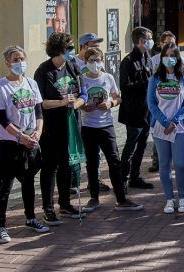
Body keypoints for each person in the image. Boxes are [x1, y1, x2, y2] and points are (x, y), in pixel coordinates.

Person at [0, 46, 47, 243]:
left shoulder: (31, 83)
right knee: (4, 186)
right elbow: (2, 119)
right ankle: (0, 226)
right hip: (9, 143)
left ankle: (31, 218)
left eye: (22, 58)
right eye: (15, 59)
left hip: (30, 141)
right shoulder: (0, 86)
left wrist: (38, 132)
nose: (19, 62)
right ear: (7, 62)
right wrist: (20, 136)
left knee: (29, 182)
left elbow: (39, 111)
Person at [79, 48, 142, 213]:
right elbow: (79, 101)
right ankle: (94, 197)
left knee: (114, 161)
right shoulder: (82, 79)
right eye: (91, 60)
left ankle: (121, 198)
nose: (95, 63)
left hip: (106, 125)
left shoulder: (108, 78)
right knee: (91, 163)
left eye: (98, 60)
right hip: (88, 126)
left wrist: (111, 104)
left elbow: (118, 97)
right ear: (86, 62)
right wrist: (84, 106)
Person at [33, 32, 85, 223]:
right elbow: (40, 103)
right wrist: (62, 102)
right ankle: (48, 208)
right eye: (69, 48)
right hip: (51, 126)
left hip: (70, 124)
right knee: (50, 167)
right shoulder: (43, 71)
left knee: (67, 165)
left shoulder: (72, 67)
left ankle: (65, 203)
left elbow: (84, 94)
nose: (73, 51)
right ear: (58, 50)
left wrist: (76, 103)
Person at [147, 42, 184, 214]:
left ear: (178, 58)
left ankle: (182, 197)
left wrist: (175, 121)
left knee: (181, 164)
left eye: (173, 55)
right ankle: (169, 199)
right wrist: (165, 122)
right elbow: (151, 103)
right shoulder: (155, 79)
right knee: (164, 164)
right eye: (167, 55)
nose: (170, 59)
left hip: (179, 127)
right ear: (162, 57)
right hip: (160, 127)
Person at [119, 27, 155, 191]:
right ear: (141, 41)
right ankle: (122, 178)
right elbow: (125, 87)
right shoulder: (128, 61)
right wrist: (145, 83)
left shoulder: (147, 57)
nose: (151, 41)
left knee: (142, 145)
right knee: (131, 146)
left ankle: (135, 177)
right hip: (133, 111)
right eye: (149, 38)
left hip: (147, 110)